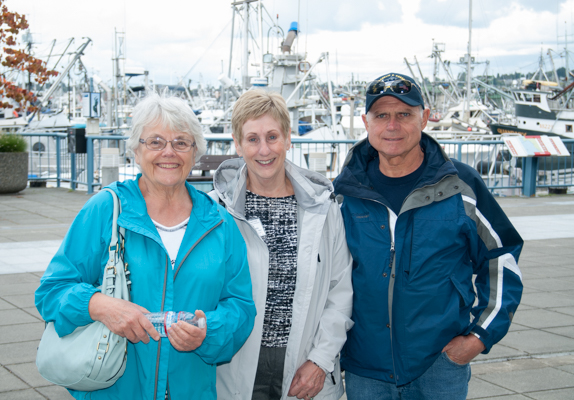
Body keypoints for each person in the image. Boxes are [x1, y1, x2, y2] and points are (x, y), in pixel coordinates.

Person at [35, 93, 256, 400]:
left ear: (195, 153)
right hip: (116, 390)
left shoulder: (220, 223)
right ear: (136, 151)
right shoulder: (106, 210)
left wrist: (209, 329)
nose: (169, 152)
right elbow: (52, 292)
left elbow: (241, 307)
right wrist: (100, 305)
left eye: (181, 142)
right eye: (155, 142)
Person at [333, 73, 524, 399]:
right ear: (366, 122)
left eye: (404, 114)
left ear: (424, 116)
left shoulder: (461, 186)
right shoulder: (344, 193)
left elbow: (502, 256)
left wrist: (478, 338)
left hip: (439, 365)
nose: (392, 125)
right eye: (381, 115)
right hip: (366, 368)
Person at [212, 89, 354, 400]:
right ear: (237, 143)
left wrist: (320, 361)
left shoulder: (323, 208)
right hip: (232, 369)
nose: (264, 150)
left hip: (303, 370)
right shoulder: (216, 211)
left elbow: (339, 292)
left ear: (288, 138)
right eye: (252, 139)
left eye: (272, 136)